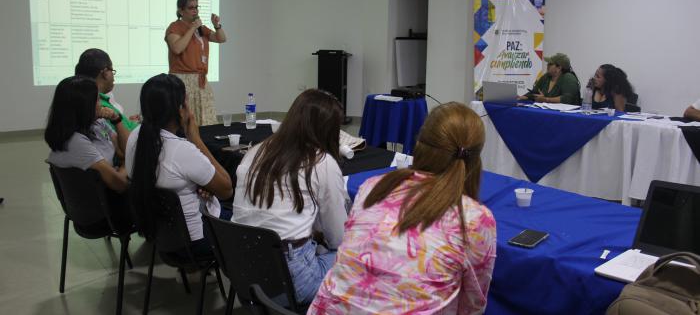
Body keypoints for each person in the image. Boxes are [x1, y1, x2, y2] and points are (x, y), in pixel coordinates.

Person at [309, 102, 497, 314]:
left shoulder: (373, 187)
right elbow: (472, 305)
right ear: (476, 159)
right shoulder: (475, 219)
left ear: (418, 143)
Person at [231, 89, 349, 304]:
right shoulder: (322, 162)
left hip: (244, 272)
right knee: (358, 260)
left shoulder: (254, 152)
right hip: (292, 281)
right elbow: (339, 238)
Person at [126, 74, 232, 257]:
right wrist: (196, 139)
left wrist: (198, 184)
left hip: (158, 236)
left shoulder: (135, 137)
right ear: (180, 109)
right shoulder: (182, 150)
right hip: (193, 245)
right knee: (241, 213)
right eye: (186, 103)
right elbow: (226, 189)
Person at [45, 76, 131, 226]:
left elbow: (123, 150)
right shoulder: (76, 142)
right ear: (83, 106)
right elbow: (120, 184)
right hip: (101, 214)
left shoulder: (96, 123)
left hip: (103, 199)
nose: (101, 104)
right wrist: (126, 165)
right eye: (97, 100)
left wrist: (117, 119)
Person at [165, 0, 227, 126]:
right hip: (182, 80)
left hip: (200, 80)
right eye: (191, 7)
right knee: (187, 123)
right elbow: (177, 48)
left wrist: (217, 25)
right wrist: (192, 28)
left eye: (196, 7)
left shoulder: (201, 29)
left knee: (205, 121)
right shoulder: (175, 27)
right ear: (181, 11)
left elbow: (221, 39)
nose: (195, 10)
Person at [75, 48, 139, 131]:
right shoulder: (99, 107)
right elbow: (125, 141)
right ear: (105, 73)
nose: (113, 75)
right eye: (112, 70)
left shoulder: (97, 100)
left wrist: (129, 123)